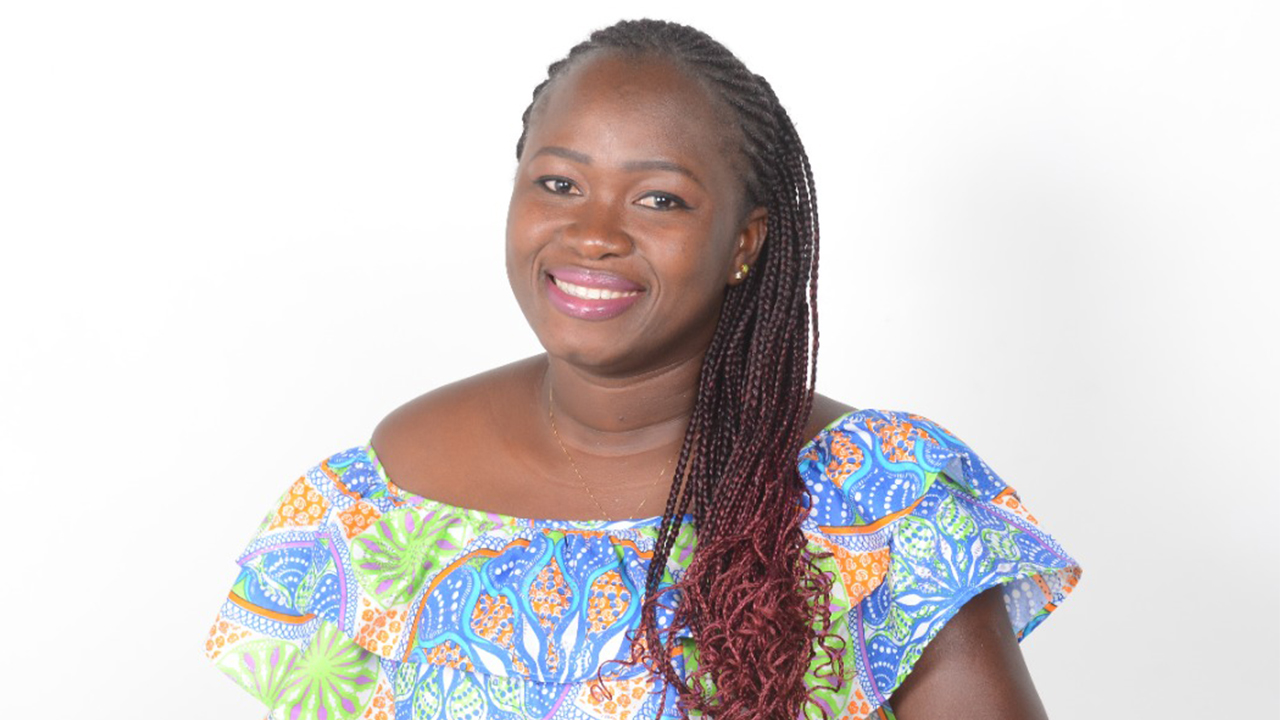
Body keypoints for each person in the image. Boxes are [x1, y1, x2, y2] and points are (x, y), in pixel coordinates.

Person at [204, 19, 1080, 720]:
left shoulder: (881, 501)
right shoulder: (396, 484)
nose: (593, 233)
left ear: (745, 242)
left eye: (659, 199)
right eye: (557, 183)